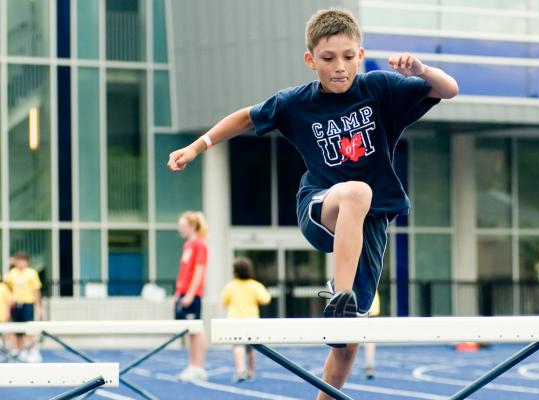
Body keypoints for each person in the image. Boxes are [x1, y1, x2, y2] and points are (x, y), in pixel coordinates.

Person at [166, 8, 457, 398]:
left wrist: (421, 69)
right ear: (310, 60)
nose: (340, 68)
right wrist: (196, 146)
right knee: (357, 192)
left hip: (367, 226)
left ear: (360, 53)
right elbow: (245, 118)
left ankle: (340, 326)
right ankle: (341, 294)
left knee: (347, 343)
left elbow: (449, 89)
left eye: (349, 57)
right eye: (328, 59)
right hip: (320, 206)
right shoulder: (296, 103)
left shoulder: (381, 90)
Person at [221, 258, 272, 382]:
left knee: (238, 345)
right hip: (251, 319)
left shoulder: (231, 286)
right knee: (252, 347)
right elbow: (265, 299)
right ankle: (250, 370)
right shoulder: (254, 285)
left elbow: (224, 301)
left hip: (235, 319)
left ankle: (240, 370)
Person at [174, 211, 209, 382]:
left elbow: (199, 270)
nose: (180, 229)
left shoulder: (199, 244)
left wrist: (190, 294)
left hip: (192, 294)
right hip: (183, 293)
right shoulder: (187, 245)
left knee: (197, 330)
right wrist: (177, 293)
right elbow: (184, 272)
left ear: (192, 226)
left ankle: (198, 366)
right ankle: (192, 365)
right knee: (190, 331)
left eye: (183, 226)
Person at [4, 251, 42, 362]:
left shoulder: (31, 273)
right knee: (17, 330)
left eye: (23, 260)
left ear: (27, 262)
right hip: (16, 304)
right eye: (18, 260)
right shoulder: (12, 273)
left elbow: (36, 290)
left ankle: (34, 351)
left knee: (29, 329)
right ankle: (21, 351)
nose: (20, 263)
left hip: (28, 303)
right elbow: (6, 287)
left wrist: (38, 306)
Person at [363, 292, 380, 380]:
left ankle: (369, 366)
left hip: (367, 301)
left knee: (369, 339)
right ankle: (369, 367)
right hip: (368, 300)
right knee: (369, 339)